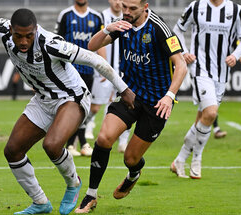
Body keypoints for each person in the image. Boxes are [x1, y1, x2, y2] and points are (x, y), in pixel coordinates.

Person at [0, 1, 135, 214]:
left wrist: (124, 90)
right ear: (10, 30)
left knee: (52, 145)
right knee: (12, 150)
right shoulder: (2, 29)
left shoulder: (52, 43)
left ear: (36, 30)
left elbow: (96, 61)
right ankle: (40, 202)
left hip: (72, 97)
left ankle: (73, 183)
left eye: (29, 35)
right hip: (42, 99)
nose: (23, 41)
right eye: (19, 35)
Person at [75, 0, 187, 213]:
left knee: (131, 158)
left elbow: (181, 65)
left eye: (132, 8)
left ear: (145, 7)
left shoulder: (159, 29)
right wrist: (107, 28)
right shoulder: (122, 24)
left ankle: (134, 174)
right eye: (124, 7)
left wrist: (169, 96)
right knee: (104, 138)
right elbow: (91, 46)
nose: (126, 12)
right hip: (130, 95)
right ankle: (90, 195)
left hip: (157, 104)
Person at [170, 0, 241, 179]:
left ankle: (179, 160)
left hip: (222, 72)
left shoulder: (236, 10)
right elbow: (177, 30)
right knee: (211, 113)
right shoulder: (196, 6)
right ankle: (196, 159)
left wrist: (235, 56)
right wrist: (183, 52)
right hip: (200, 69)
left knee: (203, 118)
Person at [55, 0, 104, 157]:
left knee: (83, 107)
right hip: (68, 70)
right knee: (71, 106)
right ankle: (80, 143)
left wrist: (103, 67)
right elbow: (56, 41)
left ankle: (72, 144)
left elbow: (101, 43)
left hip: (88, 71)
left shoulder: (96, 17)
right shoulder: (66, 15)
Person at [87, 0, 131, 153]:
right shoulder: (102, 16)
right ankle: (88, 123)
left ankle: (123, 141)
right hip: (105, 69)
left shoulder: (130, 18)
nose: (118, 2)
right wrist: (104, 67)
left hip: (123, 71)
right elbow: (99, 43)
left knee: (126, 104)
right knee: (95, 106)